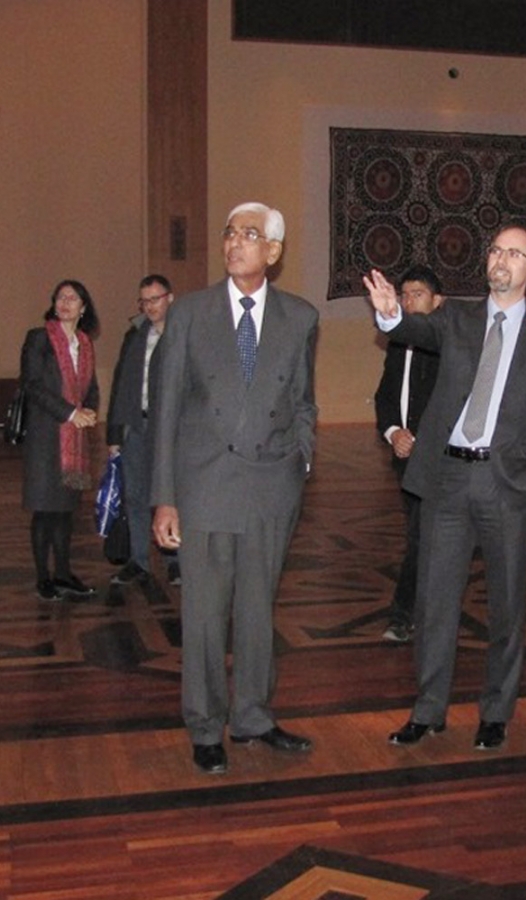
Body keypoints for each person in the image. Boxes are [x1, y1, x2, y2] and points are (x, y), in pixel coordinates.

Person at [364, 223, 526, 752]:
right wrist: (391, 312)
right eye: (495, 250)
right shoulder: (455, 318)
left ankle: (496, 711)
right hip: (448, 479)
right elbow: (410, 331)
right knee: (435, 601)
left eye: (514, 253)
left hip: (507, 486)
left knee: (507, 605)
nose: (500, 260)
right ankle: (428, 709)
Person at [151, 202, 319, 775]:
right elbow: (167, 409)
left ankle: (252, 715)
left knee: (255, 610)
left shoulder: (300, 317)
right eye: (229, 233)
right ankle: (204, 723)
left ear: (273, 252)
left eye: (249, 235)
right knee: (203, 613)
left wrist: (302, 460)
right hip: (205, 486)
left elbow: (302, 401)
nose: (234, 243)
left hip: (272, 487)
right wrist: (165, 496)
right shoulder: (191, 313)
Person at [373, 266, 445, 643]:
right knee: (424, 537)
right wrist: (393, 432)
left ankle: (403, 615)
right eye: (404, 294)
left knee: (422, 536)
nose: (407, 300)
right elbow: (385, 396)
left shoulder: (450, 343)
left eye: (417, 293)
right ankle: (429, 609)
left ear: (437, 301)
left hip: (440, 463)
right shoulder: (398, 346)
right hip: (406, 460)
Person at [21, 280, 101, 601]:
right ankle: (44, 577)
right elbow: (33, 385)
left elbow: (91, 387)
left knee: (66, 511)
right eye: (60, 297)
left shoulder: (84, 342)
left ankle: (65, 573)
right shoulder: (39, 338)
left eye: (73, 298)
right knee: (45, 510)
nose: (65, 302)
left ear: (83, 308)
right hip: (45, 438)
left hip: (74, 440)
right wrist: (70, 413)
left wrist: (91, 411)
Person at [106, 274, 176, 588]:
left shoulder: (182, 335)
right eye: (144, 301)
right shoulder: (133, 336)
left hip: (169, 431)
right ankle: (138, 561)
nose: (149, 306)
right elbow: (120, 386)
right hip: (136, 425)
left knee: (170, 495)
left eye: (155, 299)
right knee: (134, 496)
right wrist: (114, 436)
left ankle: (176, 561)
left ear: (170, 299)